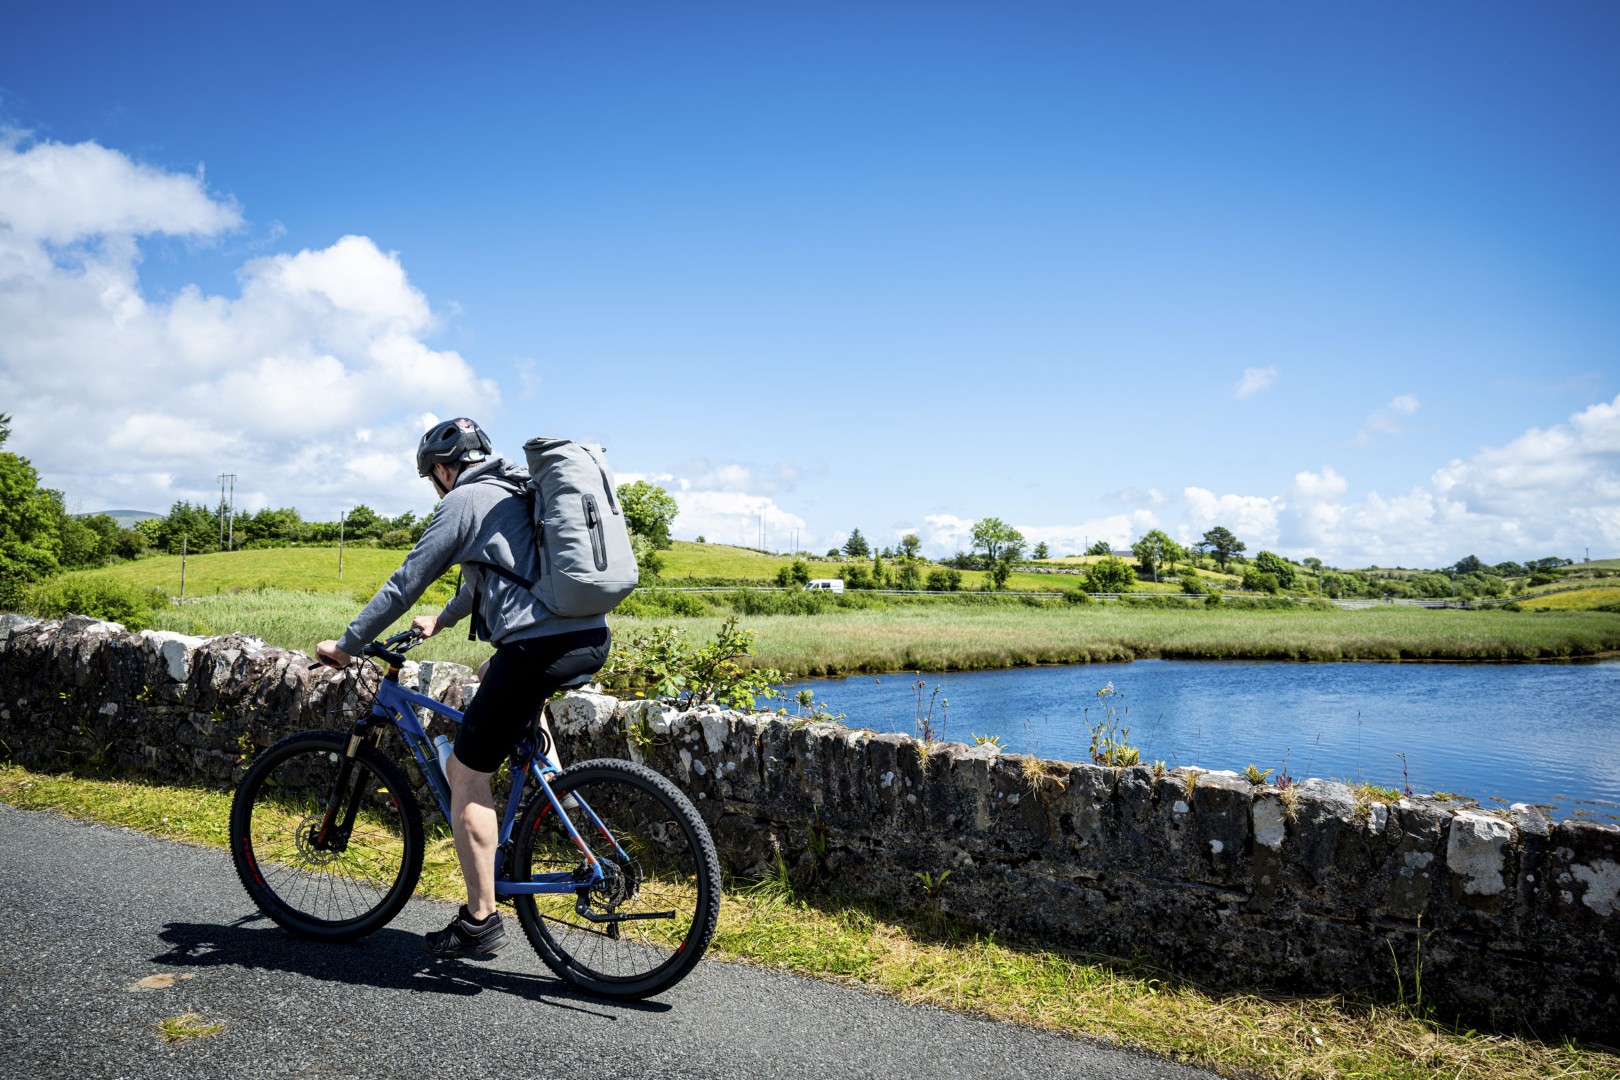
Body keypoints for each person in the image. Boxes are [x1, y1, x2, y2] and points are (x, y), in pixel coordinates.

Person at [316, 417, 611, 960]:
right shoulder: (514, 490)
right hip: (587, 636)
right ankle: (551, 796)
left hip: (535, 648)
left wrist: (348, 644)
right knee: (509, 698)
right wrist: (443, 620)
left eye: (432, 476)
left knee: (466, 773)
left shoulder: (463, 501)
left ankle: (480, 920)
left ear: (441, 469)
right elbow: (488, 577)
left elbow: (406, 581)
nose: (435, 484)